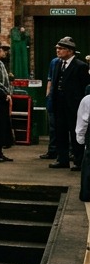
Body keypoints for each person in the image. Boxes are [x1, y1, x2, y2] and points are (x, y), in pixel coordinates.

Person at [48, 37, 89, 169]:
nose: (58, 51)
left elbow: (84, 87)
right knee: (60, 133)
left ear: (70, 51)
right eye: (57, 48)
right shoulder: (58, 64)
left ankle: (78, 161)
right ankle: (62, 159)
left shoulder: (80, 66)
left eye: (61, 48)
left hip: (74, 106)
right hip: (59, 105)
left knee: (75, 133)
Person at [41, 51, 62, 158]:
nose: (58, 51)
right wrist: (48, 95)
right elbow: (50, 79)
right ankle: (52, 150)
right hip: (53, 98)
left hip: (64, 99)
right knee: (53, 126)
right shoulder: (54, 62)